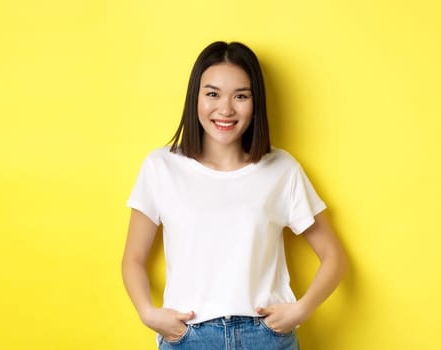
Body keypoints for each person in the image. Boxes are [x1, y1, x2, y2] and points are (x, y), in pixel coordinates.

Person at [121, 41, 348, 350]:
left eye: (240, 96)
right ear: (195, 98)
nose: (225, 109)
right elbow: (133, 258)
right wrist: (147, 313)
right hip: (189, 338)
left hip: (266, 338)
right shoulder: (161, 167)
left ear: (255, 103)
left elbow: (333, 257)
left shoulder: (281, 169)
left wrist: (300, 309)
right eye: (212, 94)